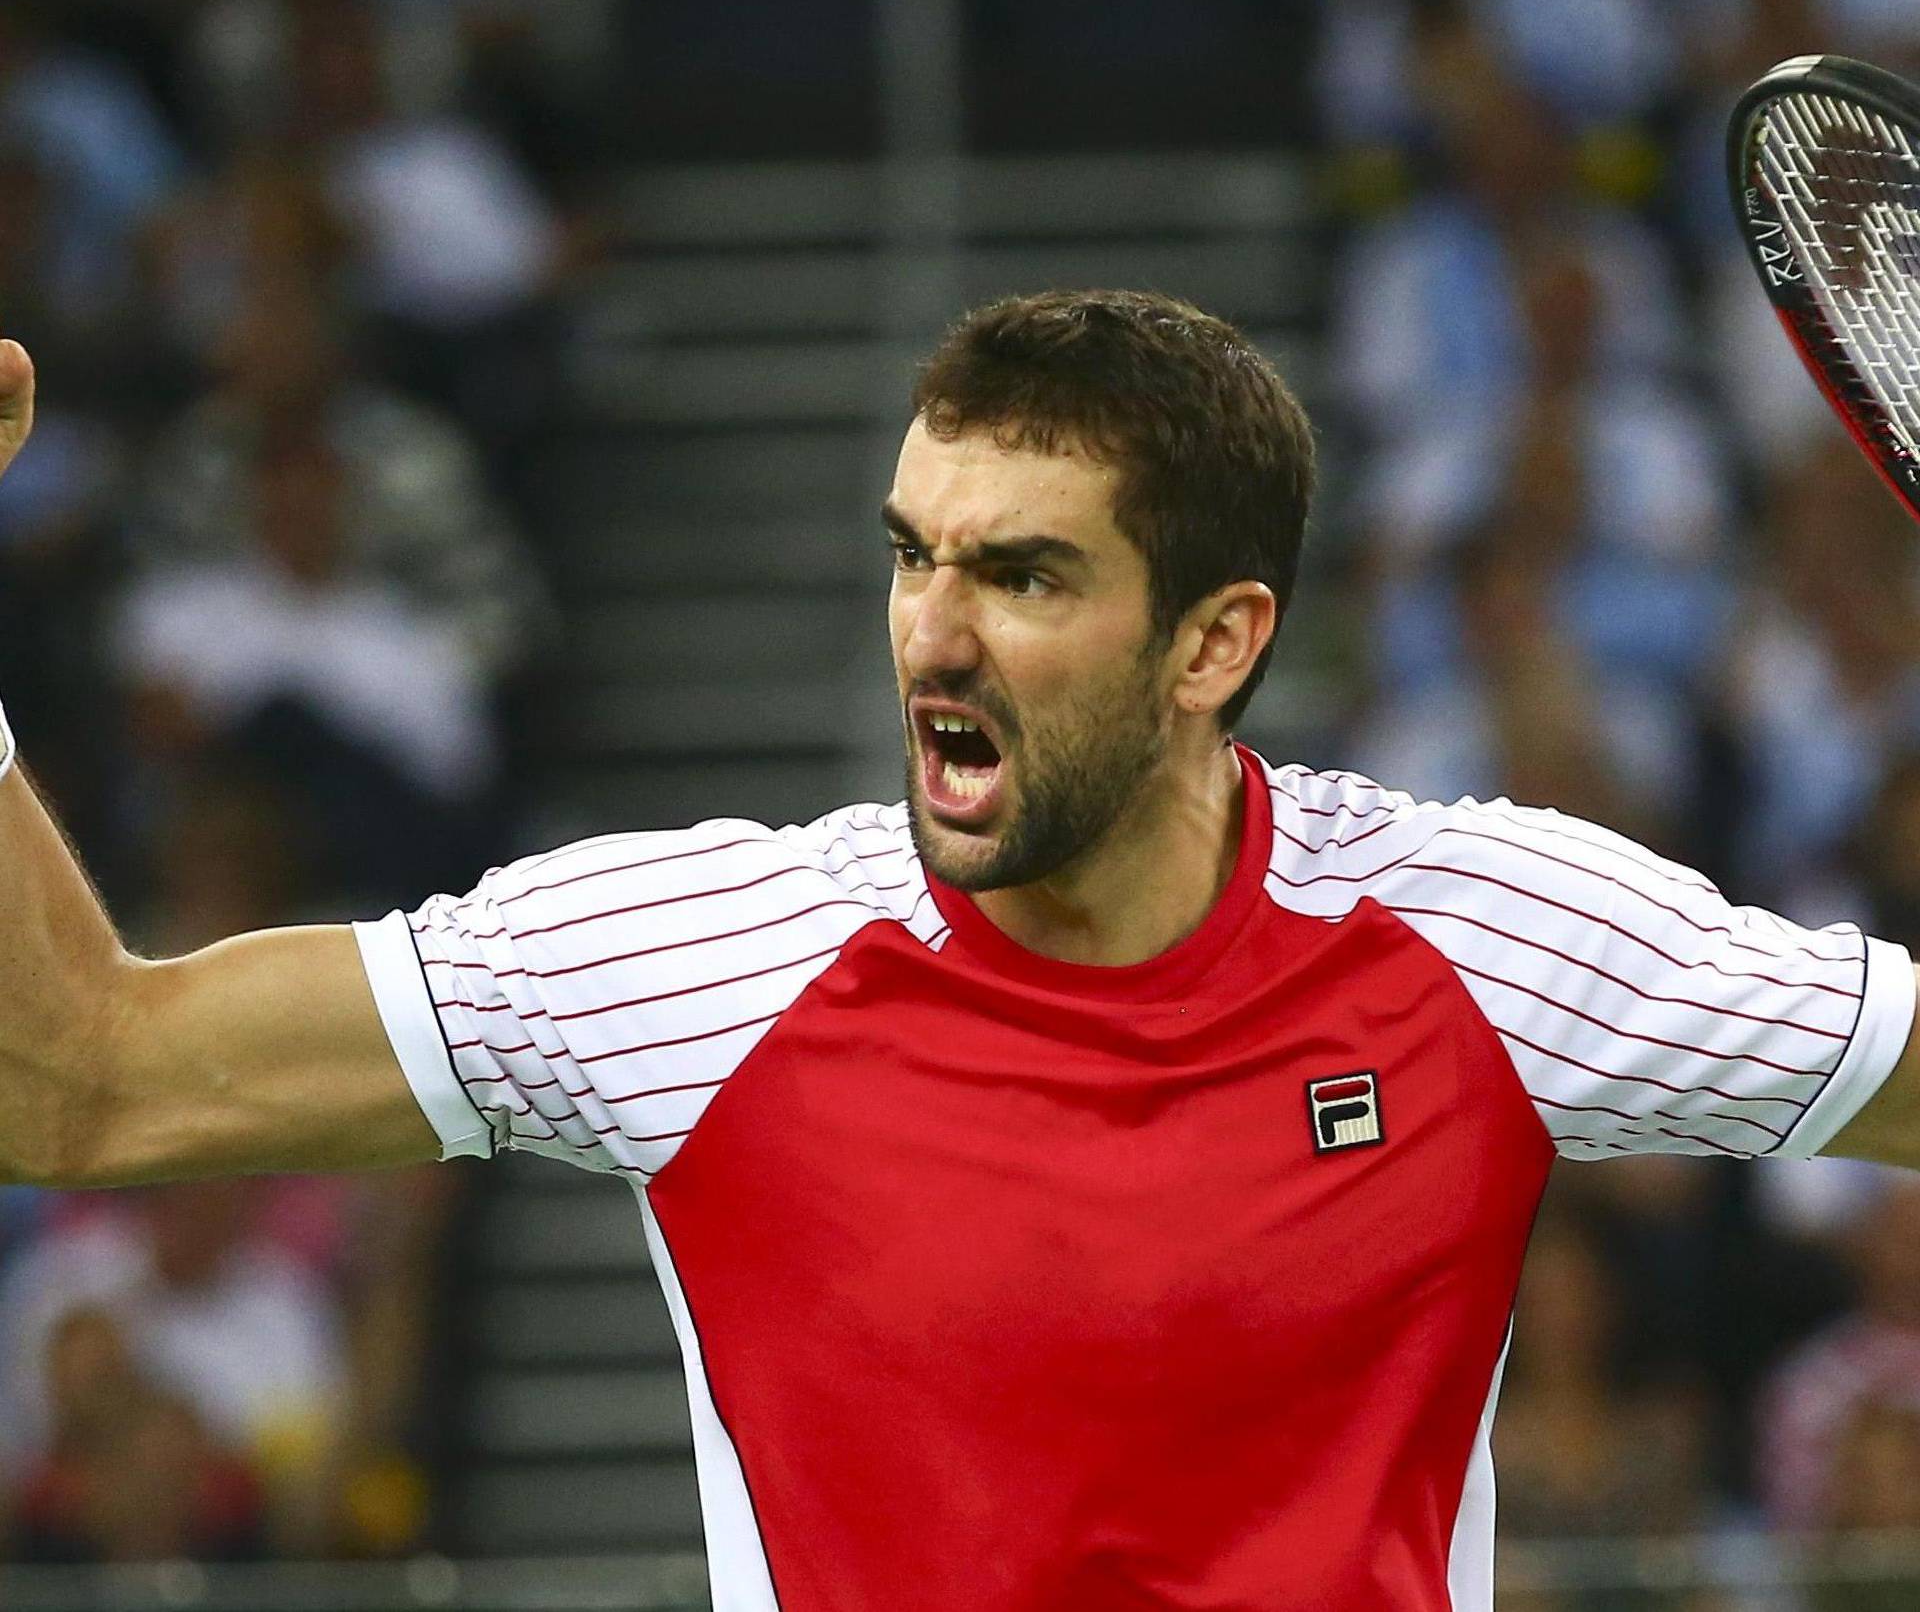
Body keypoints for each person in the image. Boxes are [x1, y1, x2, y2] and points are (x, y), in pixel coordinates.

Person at [0, 287, 1917, 1611]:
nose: (931, 633)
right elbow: (88, 1080)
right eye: (915, 552)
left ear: (1215, 642)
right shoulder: (688, 964)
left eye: (1023, 574)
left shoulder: (1488, 944)